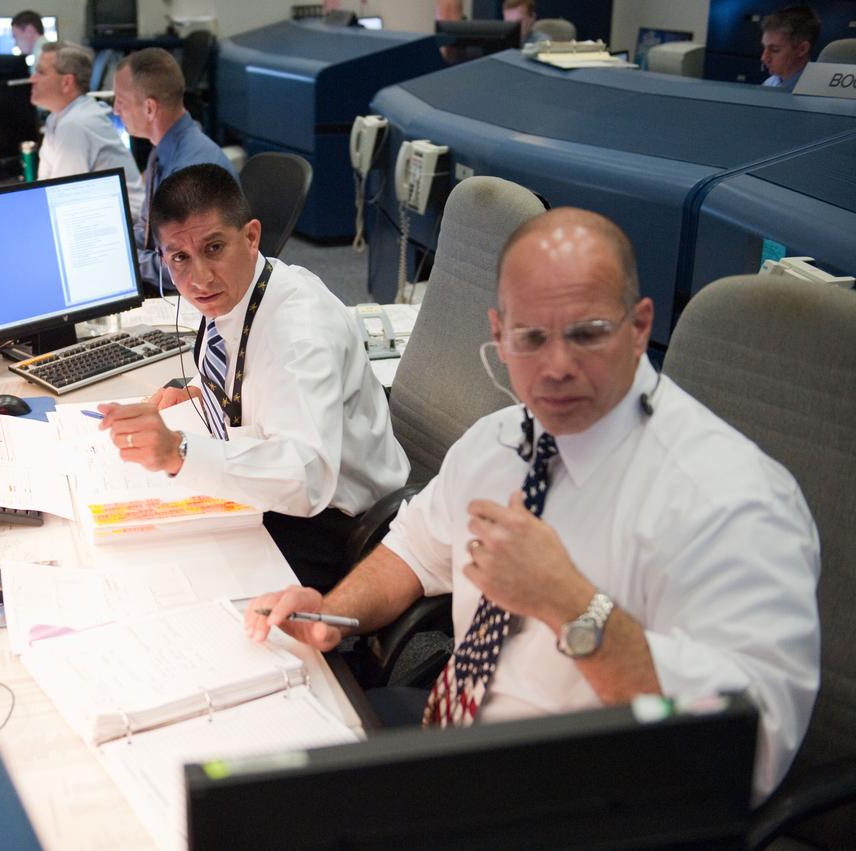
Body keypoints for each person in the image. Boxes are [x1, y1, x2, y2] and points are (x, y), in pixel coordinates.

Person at [246, 207, 820, 803]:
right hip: (464, 741)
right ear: (499, 334)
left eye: (587, 332)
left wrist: (571, 605)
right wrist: (331, 613)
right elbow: (413, 554)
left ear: (640, 327)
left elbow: (750, 751)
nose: (557, 367)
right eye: (531, 338)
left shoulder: (732, 500)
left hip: (597, 797)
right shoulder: (502, 440)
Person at [96, 164, 410, 592]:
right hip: (273, 490)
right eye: (180, 258)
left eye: (214, 248)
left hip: (336, 528)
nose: (199, 278)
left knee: (174, 583)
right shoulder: (241, 291)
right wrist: (200, 391)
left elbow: (307, 478)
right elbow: (249, 377)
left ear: (251, 236)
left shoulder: (299, 333)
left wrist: (178, 451)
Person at [112, 48, 235, 292]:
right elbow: (147, 230)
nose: (115, 110)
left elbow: (183, 270)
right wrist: (113, 248)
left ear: (149, 108)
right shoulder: (161, 153)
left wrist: (125, 262)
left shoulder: (190, 172)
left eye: (121, 101)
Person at [30, 42, 145, 221]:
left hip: (125, 227)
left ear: (67, 82)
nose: (32, 79)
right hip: (103, 218)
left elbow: (61, 201)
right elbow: (45, 188)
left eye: (41, 72)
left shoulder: (76, 124)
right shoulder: (60, 117)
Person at [760, 6, 821, 91]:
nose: (764, 58)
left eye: (774, 50)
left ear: (802, 49)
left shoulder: (817, 91)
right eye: (764, 47)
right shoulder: (769, 83)